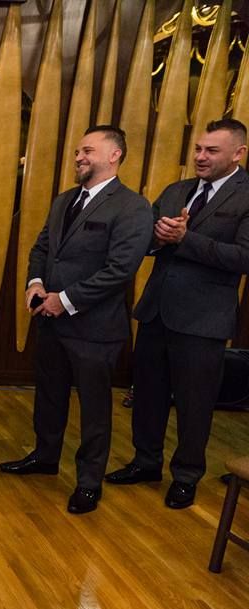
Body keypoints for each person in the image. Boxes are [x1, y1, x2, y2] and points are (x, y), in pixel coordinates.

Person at [0, 126, 152, 515]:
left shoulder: (132, 207)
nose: (79, 157)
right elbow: (42, 246)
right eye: (77, 152)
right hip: (50, 321)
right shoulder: (65, 200)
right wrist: (35, 284)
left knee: (95, 409)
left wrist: (63, 300)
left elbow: (120, 270)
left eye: (87, 151)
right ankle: (45, 456)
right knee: (48, 395)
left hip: (94, 328)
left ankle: (88, 481)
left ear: (114, 155)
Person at [106, 118, 249, 509]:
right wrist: (156, 238)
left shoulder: (246, 195)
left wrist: (187, 240)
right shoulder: (177, 190)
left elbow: (244, 257)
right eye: (199, 149)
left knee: (194, 402)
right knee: (148, 394)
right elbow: (145, 241)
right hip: (157, 311)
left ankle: (186, 475)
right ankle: (145, 462)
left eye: (211, 151)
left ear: (238, 153)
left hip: (204, 319)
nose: (200, 157)